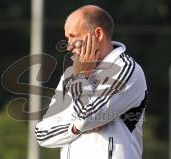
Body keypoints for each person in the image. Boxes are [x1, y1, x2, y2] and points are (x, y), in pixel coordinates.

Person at [35, 5, 148, 159]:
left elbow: (86, 117)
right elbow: (42, 134)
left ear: (98, 34)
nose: (69, 46)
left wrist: (81, 76)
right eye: (68, 39)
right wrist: (74, 128)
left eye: (73, 36)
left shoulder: (127, 69)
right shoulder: (70, 75)